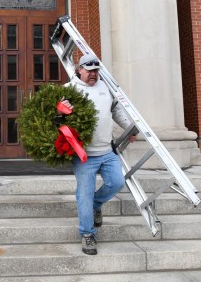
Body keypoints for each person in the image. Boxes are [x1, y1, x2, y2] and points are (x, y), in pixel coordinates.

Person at [59, 53, 136, 255]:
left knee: (117, 182)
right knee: (83, 195)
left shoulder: (106, 88)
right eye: (89, 70)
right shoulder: (69, 90)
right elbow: (56, 118)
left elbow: (117, 111)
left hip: (106, 151)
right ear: (79, 70)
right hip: (83, 155)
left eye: (96, 71)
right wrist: (61, 111)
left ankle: (97, 203)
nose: (93, 74)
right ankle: (87, 234)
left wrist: (129, 129)